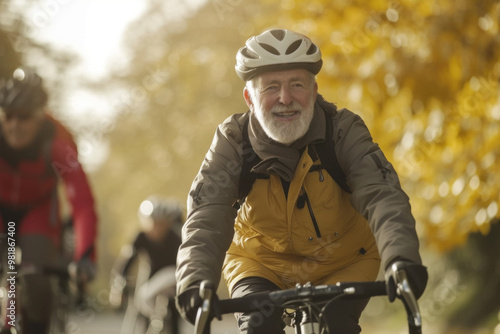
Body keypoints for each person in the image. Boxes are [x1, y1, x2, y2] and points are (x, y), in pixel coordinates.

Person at [175, 29, 429, 333]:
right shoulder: (232, 140)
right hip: (260, 262)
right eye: (271, 87)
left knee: (336, 327)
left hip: (344, 260)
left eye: (296, 84)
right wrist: (194, 280)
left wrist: (400, 258)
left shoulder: (343, 130)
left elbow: (382, 193)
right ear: (249, 98)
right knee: (259, 326)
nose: (285, 99)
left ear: (314, 90)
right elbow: (207, 214)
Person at [0, 68, 98, 334]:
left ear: (40, 115)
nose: (14, 125)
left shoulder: (57, 143)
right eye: (8, 116)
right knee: (8, 268)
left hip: (38, 209)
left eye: (24, 118)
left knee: (37, 280)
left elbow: (82, 204)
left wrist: (85, 254)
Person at [109, 196, 183, 334]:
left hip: (174, 276)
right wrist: (120, 286)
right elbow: (125, 263)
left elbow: (184, 262)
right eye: (152, 223)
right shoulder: (140, 237)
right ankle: (148, 325)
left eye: (160, 223)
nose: (156, 228)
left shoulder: (174, 237)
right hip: (152, 275)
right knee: (141, 304)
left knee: (171, 306)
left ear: (167, 223)